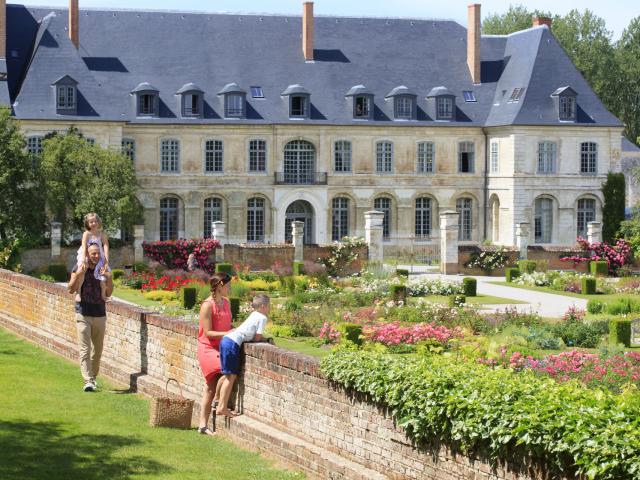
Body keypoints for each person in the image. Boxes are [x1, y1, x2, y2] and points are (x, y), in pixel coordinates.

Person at [68, 242, 113, 392]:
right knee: (85, 349)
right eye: (92, 253)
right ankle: (87, 380)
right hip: (83, 313)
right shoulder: (79, 267)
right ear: (87, 254)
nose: (95, 255)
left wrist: (109, 278)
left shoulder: (102, 269)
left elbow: (108, 294)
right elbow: (70, 289)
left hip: (100, 313)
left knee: (97, 350)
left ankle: (92, 378)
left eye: (97, 253)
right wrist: (79, 274)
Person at [216, 294, 270, 418]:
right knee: (231, 377)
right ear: (263, 306)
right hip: (232, 344)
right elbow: (257, 338)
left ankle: (217, 400)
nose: (269, 309)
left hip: (226, 340)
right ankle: (222, 408)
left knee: (226, 375)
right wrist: (265, 340)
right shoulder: (262, 317)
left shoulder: (253, 314)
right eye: (268, 306)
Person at [196, 272, 233, 435]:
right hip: (208, 348)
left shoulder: (226, 302)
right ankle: (218, 402)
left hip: (222, 346)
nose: (230, 288)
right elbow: (208, 332)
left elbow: (229, 324)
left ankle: (202, 425)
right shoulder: (207, 305)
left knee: (210, 387)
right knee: (227, 372)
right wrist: (229, 333)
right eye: (228, 285)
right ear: (220, 286)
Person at [76, 212, 111, 302]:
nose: (93, 223)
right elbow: (84, 247)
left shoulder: (102, 234)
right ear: (87, 224)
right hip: (87, 254)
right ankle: (78, 293)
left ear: (98, 222)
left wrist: (106, 261)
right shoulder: (86, 234)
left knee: (103, 274)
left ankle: (103, 295)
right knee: (82, 271)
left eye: (95, 221)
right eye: (91, 222)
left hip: (98, 254)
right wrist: (83, 259)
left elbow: (106, 246)